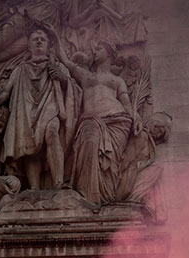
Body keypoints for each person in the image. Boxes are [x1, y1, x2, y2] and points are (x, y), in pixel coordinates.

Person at [48, 26, 142, 206]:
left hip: (117, 122)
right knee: (89, 142)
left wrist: (136, 117)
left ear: (108, 53)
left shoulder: (117, 80)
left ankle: (105, 197)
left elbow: (127, 105)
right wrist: (54, 35)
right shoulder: (85, 75)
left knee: (109, 165)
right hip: (90, 120)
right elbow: (65, 60)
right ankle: (88, 196)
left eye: (98, 49)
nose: (94, 52)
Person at [0, 26, 81, 190]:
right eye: (35, 39)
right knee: (30, 146)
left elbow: (72, 89)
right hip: (26, 111)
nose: (39, 41)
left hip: (50, 106)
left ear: (49, 45)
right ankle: (34, 188)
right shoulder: (20, 70)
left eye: (43, 39)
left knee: (52, 132)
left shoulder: (58, 66)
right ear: (29, 46)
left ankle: (59, 182)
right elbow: (5, 93)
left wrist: (62, 78)